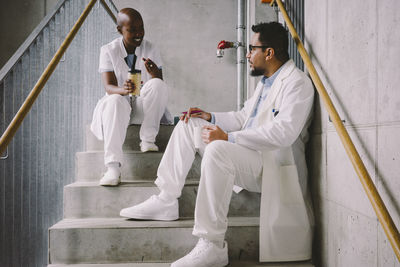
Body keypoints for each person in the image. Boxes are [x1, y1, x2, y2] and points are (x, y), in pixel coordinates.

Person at [120, 22, 314, 266]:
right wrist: (209, 117)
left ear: (269, 52)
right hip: (248, 154)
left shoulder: (297, 83)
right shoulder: (266, 82)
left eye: (252, 48)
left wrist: (229, 137)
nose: (247, 54)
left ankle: (212, 244)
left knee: (218, 149)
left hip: (271, 166)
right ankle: (166, 199)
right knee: (188, 123)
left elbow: (284, 133)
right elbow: (243, 118)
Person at [90, 8, 172, 186]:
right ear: (120, 30)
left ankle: (148, 140)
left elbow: (158, 88)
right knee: (114, 100)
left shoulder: (151, 48)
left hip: (143, 109)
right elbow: (108, 86)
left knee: (158, 84)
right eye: (132, 30)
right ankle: (112, 168)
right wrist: (123, 90)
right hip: (119, 108)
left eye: (141, 28)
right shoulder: (108, 50)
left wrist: (155, 73)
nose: (138, 34)